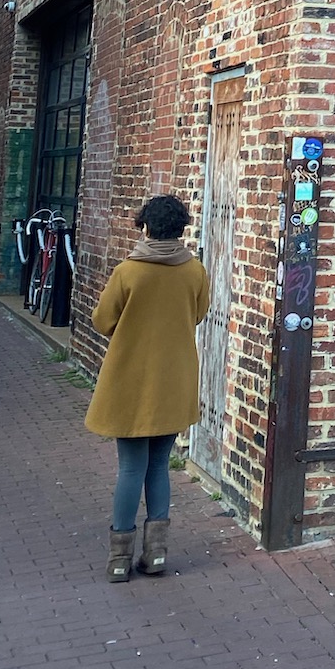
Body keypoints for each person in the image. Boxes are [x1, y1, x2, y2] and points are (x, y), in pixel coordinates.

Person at [84, 194, 211, 582]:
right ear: (181, 228)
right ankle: (156, 554)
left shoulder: (129, 271)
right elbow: (200, 314)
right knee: (159, 466)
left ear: (145, 227)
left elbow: (103, 321)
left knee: (130, 467)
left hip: (131, 380)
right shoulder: (195, 271)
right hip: (173, 380)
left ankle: (119, 558)